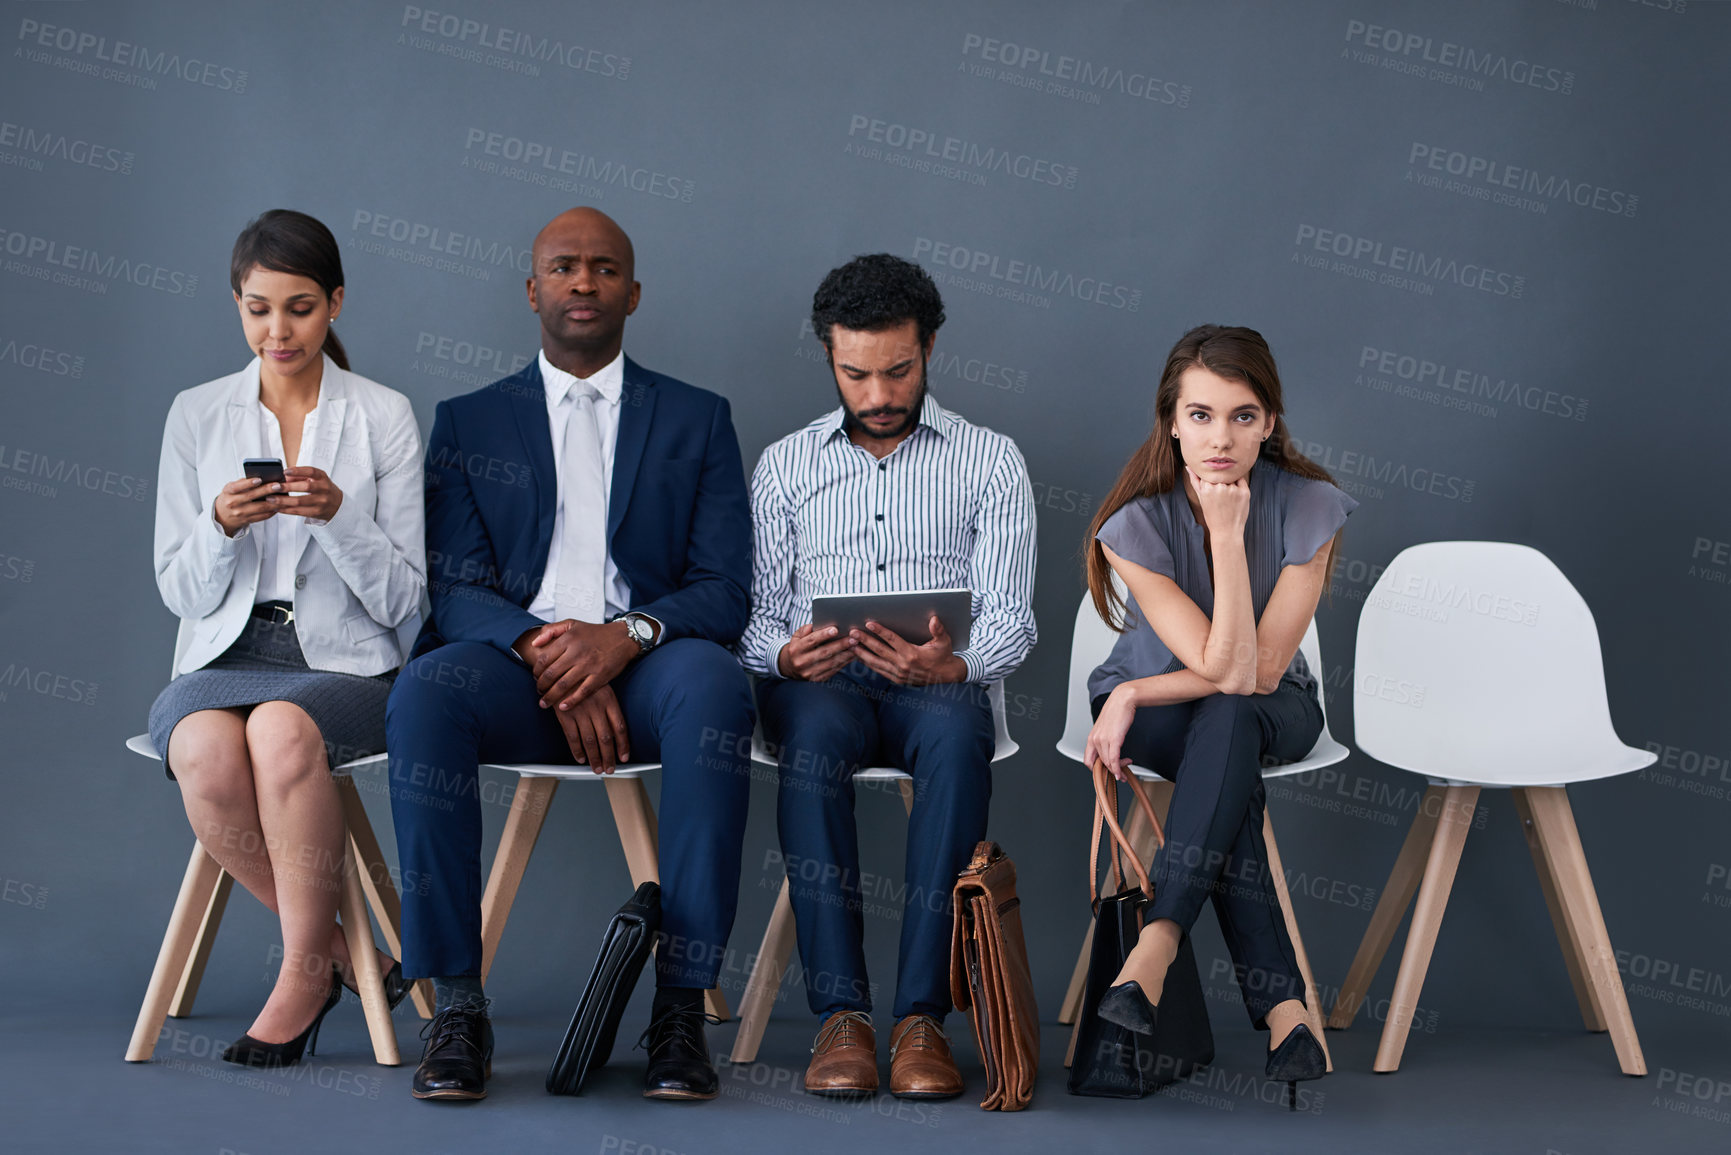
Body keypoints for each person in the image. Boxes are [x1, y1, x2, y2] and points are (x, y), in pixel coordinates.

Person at [387, 207, 755, 1103]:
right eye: (563, 266)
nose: (582, 283)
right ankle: (457, 1005)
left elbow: (722, 585)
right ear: (532, 288)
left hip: (652, 660)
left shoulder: (697, 419)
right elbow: (457, 584)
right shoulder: (470, 421)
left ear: (633, 291)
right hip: (518, 660)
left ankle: (679, 1008)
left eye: (602, 268)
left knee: (716, 687)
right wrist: (549, 649)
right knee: (426, 691)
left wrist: (621, 640)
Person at [737, 254, 1037, 1100]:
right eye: (854, 372)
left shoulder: (989, 459)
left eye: (897, 370)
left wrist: (961, 661)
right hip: (820, 683)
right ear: (829, 358)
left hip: (936, 681)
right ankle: (842, 1017)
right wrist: (783, 655)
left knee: (953, 735)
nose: (876, 394)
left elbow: (1012, 614)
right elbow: (755, 618)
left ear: (930, 349)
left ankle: (920, 1020)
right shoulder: (786, 464)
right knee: (814, 742)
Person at [148, 209, 427, 1068]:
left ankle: (305, 971)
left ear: (336, 303)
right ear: (237, 306)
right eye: (259, 308)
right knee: (198, 742)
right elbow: (178, 590)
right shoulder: (197, 415)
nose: (279, 330)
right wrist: (219, 525)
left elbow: (407, 605)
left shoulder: (382, 415)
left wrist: (339, 517)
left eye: (300, 307)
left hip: (342, 665)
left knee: (276, 728)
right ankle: (352, 954)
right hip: (226, 656)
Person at [1080, 323, 1356, 1101]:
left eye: (1241, 415)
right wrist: (1130, 689)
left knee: (1232, 721)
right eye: (1199, 415)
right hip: (1162, 710)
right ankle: (1282, 1010)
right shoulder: (1132, 523)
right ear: (1170, 419)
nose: (1220, 437)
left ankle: (1157, 943)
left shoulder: (1310, 507)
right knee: (1221, 741)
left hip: (1272, 702)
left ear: (1270, 421)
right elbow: (1215, 668)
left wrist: (1228, 536)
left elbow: (1254, 669)